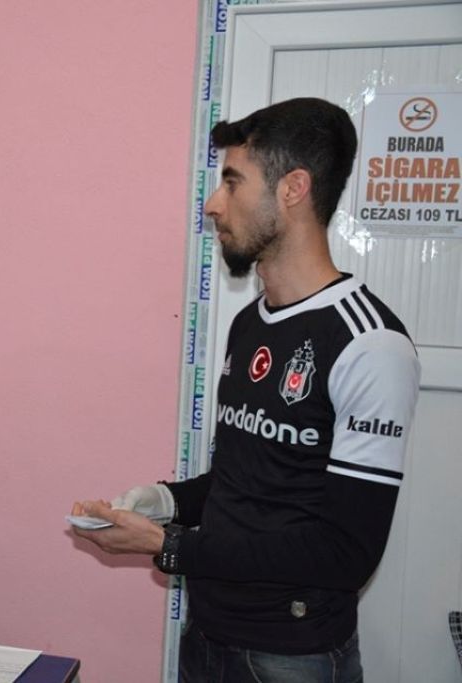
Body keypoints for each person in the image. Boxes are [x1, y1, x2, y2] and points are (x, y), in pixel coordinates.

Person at [71, 98, 420, 682]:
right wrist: (165, 501)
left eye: (233, 182)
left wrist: (167, 544)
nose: (213, 204)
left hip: (292, 657)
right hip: (207, 636)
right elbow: (251, 481)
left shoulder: (370, 344)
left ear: (293, 189)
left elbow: (347, 553)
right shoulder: (250, 322)